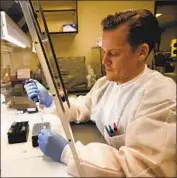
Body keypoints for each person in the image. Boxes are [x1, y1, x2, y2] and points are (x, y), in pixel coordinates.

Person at [24, 9, 176, 177]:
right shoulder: (105, 84)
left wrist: (69, 153)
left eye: (113, 53)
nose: (104, 61)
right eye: (104, 51)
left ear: (142, 52)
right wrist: (51, 101)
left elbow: (140, 168)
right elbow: (82, 107)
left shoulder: (161, 96)